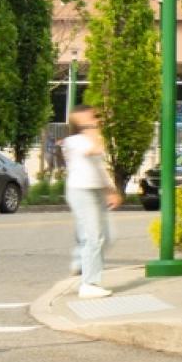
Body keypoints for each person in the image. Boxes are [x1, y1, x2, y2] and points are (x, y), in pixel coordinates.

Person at [61, 105, 121, 298]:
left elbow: (98, 168)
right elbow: (94, 150)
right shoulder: (73, 141)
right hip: (81, 191)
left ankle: (81, 264)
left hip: (95, 191)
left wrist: (110, 191)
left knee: (107, 236)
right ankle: (89, 283)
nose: (96, 119)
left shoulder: (90, 138)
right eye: (91, 117)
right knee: (93, 236)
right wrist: (91, 127)